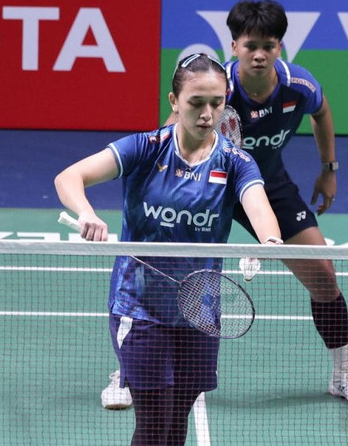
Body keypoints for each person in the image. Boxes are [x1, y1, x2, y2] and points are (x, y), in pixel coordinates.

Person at [102, 0, 348, 410]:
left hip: (266, 184)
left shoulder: (298, 87)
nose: (259, 54)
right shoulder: (216, 89)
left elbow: (321, 112)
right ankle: (128, 371)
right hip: (206, 186)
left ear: (280, 47)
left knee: (323, 275)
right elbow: (170, 136)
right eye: (251, 45)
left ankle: (344, 372)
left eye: (269, 45)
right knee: (158, 276)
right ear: (234, 47)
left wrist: (329, 168)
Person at [55, 53, 282, 445]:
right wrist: (86, 212)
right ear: (174, 101)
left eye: (216, 103)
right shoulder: (146, 148)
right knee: (153, 423)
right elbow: (69, 177)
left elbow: (259, 206)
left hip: (199, 311)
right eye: (196, 102)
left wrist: (270, 241)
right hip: (140, 306)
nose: (207, 114)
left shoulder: (235, 162)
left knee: (176, 423)